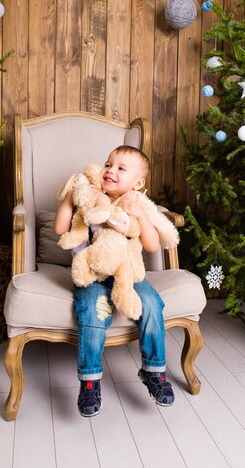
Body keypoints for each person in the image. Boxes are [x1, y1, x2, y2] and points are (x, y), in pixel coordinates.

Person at [55, 145, 175, 417]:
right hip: (91, 274)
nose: (110, 170)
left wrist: (142, 216)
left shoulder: (136, 204)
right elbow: (61, 229)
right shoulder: (91, 197)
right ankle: (89, 381)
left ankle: (153, 371)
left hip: (127, 276)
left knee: (152, 304)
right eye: (109, 164)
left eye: (121, 168)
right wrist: (71, 196)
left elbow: (153, 245)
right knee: (92, 313)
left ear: (138, 183)